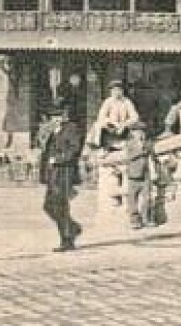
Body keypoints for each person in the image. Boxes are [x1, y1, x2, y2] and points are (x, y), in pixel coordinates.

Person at [39, 104, 85, 252]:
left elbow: (74, 149)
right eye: (53, 116)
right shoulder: (53, 132)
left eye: (59, 116)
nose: (56, 119)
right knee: (49, 206)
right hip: (53, 175)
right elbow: (46, 153)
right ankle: (72, 228)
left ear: (64, 116)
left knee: (61, 205)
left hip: (65, 172)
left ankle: (67, 240)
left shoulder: (71, 129)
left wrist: (58, 159)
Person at [120, 121, 156, 230]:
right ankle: (134, 221)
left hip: (145, 173)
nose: (140, 133)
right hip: (133, 173)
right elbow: (128, 157)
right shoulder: (129, 143)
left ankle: (146, 219)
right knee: (132, 198)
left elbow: (152, 156)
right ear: (133, 132)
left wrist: (153, 170)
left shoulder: (148, 143)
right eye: (137, 131)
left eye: (142, 131)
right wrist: (140, 152)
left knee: (147, 198)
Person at [90, 80, 140, 152]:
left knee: (136, 133)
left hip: (123, 128)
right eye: (114, 90)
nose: (117, 92)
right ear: (111, 91)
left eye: (119, 90)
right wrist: (112, 123)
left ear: (122, 91)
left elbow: (135, 116)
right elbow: (101, 116)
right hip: (110, 127)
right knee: (98, 124)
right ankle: (101, 147)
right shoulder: (108, 101)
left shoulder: (127, 102)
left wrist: (124, 124)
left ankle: (123, 146)